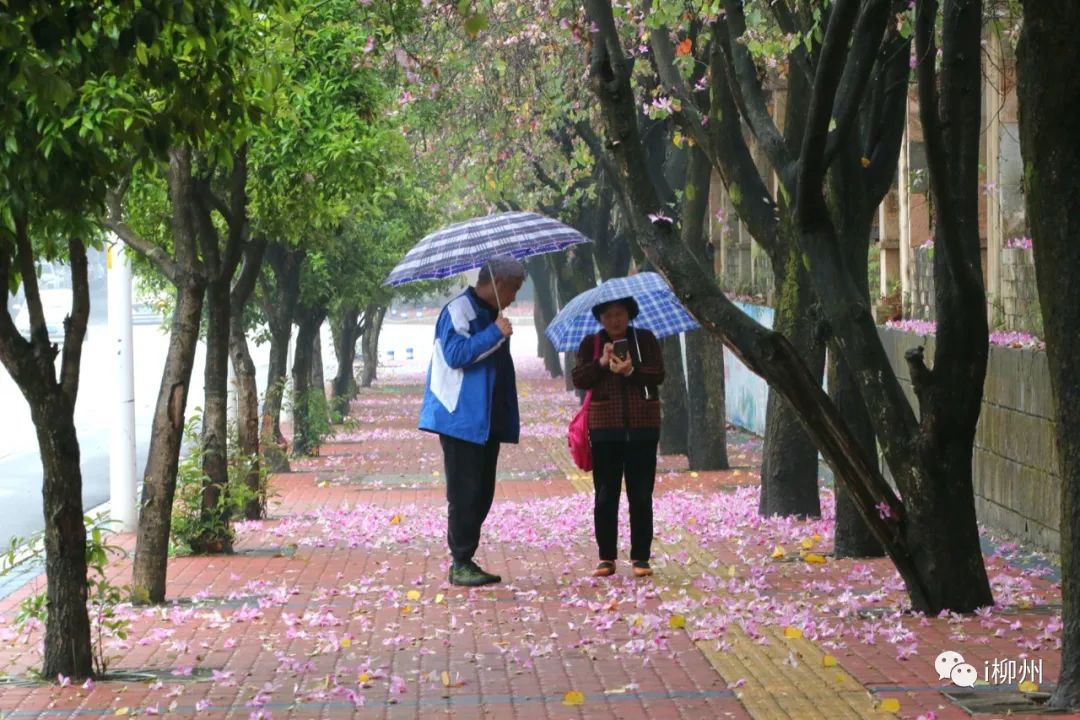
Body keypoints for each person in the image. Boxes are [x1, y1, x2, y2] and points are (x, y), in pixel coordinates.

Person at [418, 256, 526, 586]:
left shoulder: (491, 314)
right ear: (498, 282)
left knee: (483, 492)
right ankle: (461, 561)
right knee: (465, 493)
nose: (515, 297)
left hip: (487, 419)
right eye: (514, 288)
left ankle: (465, 556)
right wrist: (494, 333)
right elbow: (456, 355)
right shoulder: (458, 311)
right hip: (461, 417)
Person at [571, 297, 665, 578]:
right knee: (605, 496)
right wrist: (601, 363)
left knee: (641, 495)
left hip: (643, 427)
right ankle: (606, 557)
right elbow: (579, 378)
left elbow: (658, 374)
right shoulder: (591, 344)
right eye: (608, 315)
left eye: (619, 314)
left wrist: (631, 370)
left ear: (629, 314)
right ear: (600, 318)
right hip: (604, 430)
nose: (614, 320)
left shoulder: (644, 340)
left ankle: (641, 557)